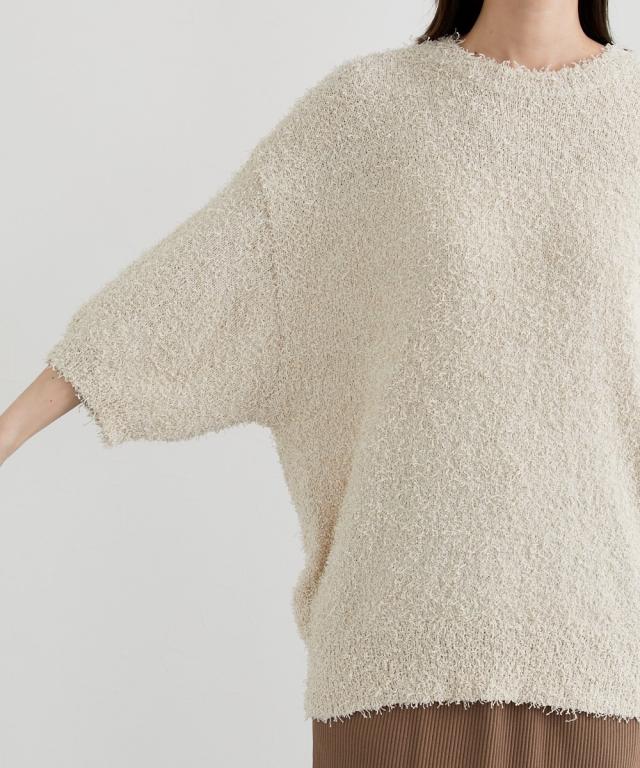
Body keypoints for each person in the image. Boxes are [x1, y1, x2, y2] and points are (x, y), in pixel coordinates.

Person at [2, 0, 640, 765]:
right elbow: (203, 282)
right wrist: (12, 426)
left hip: (607, 660)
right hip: (394, 658)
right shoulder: (372, 110)